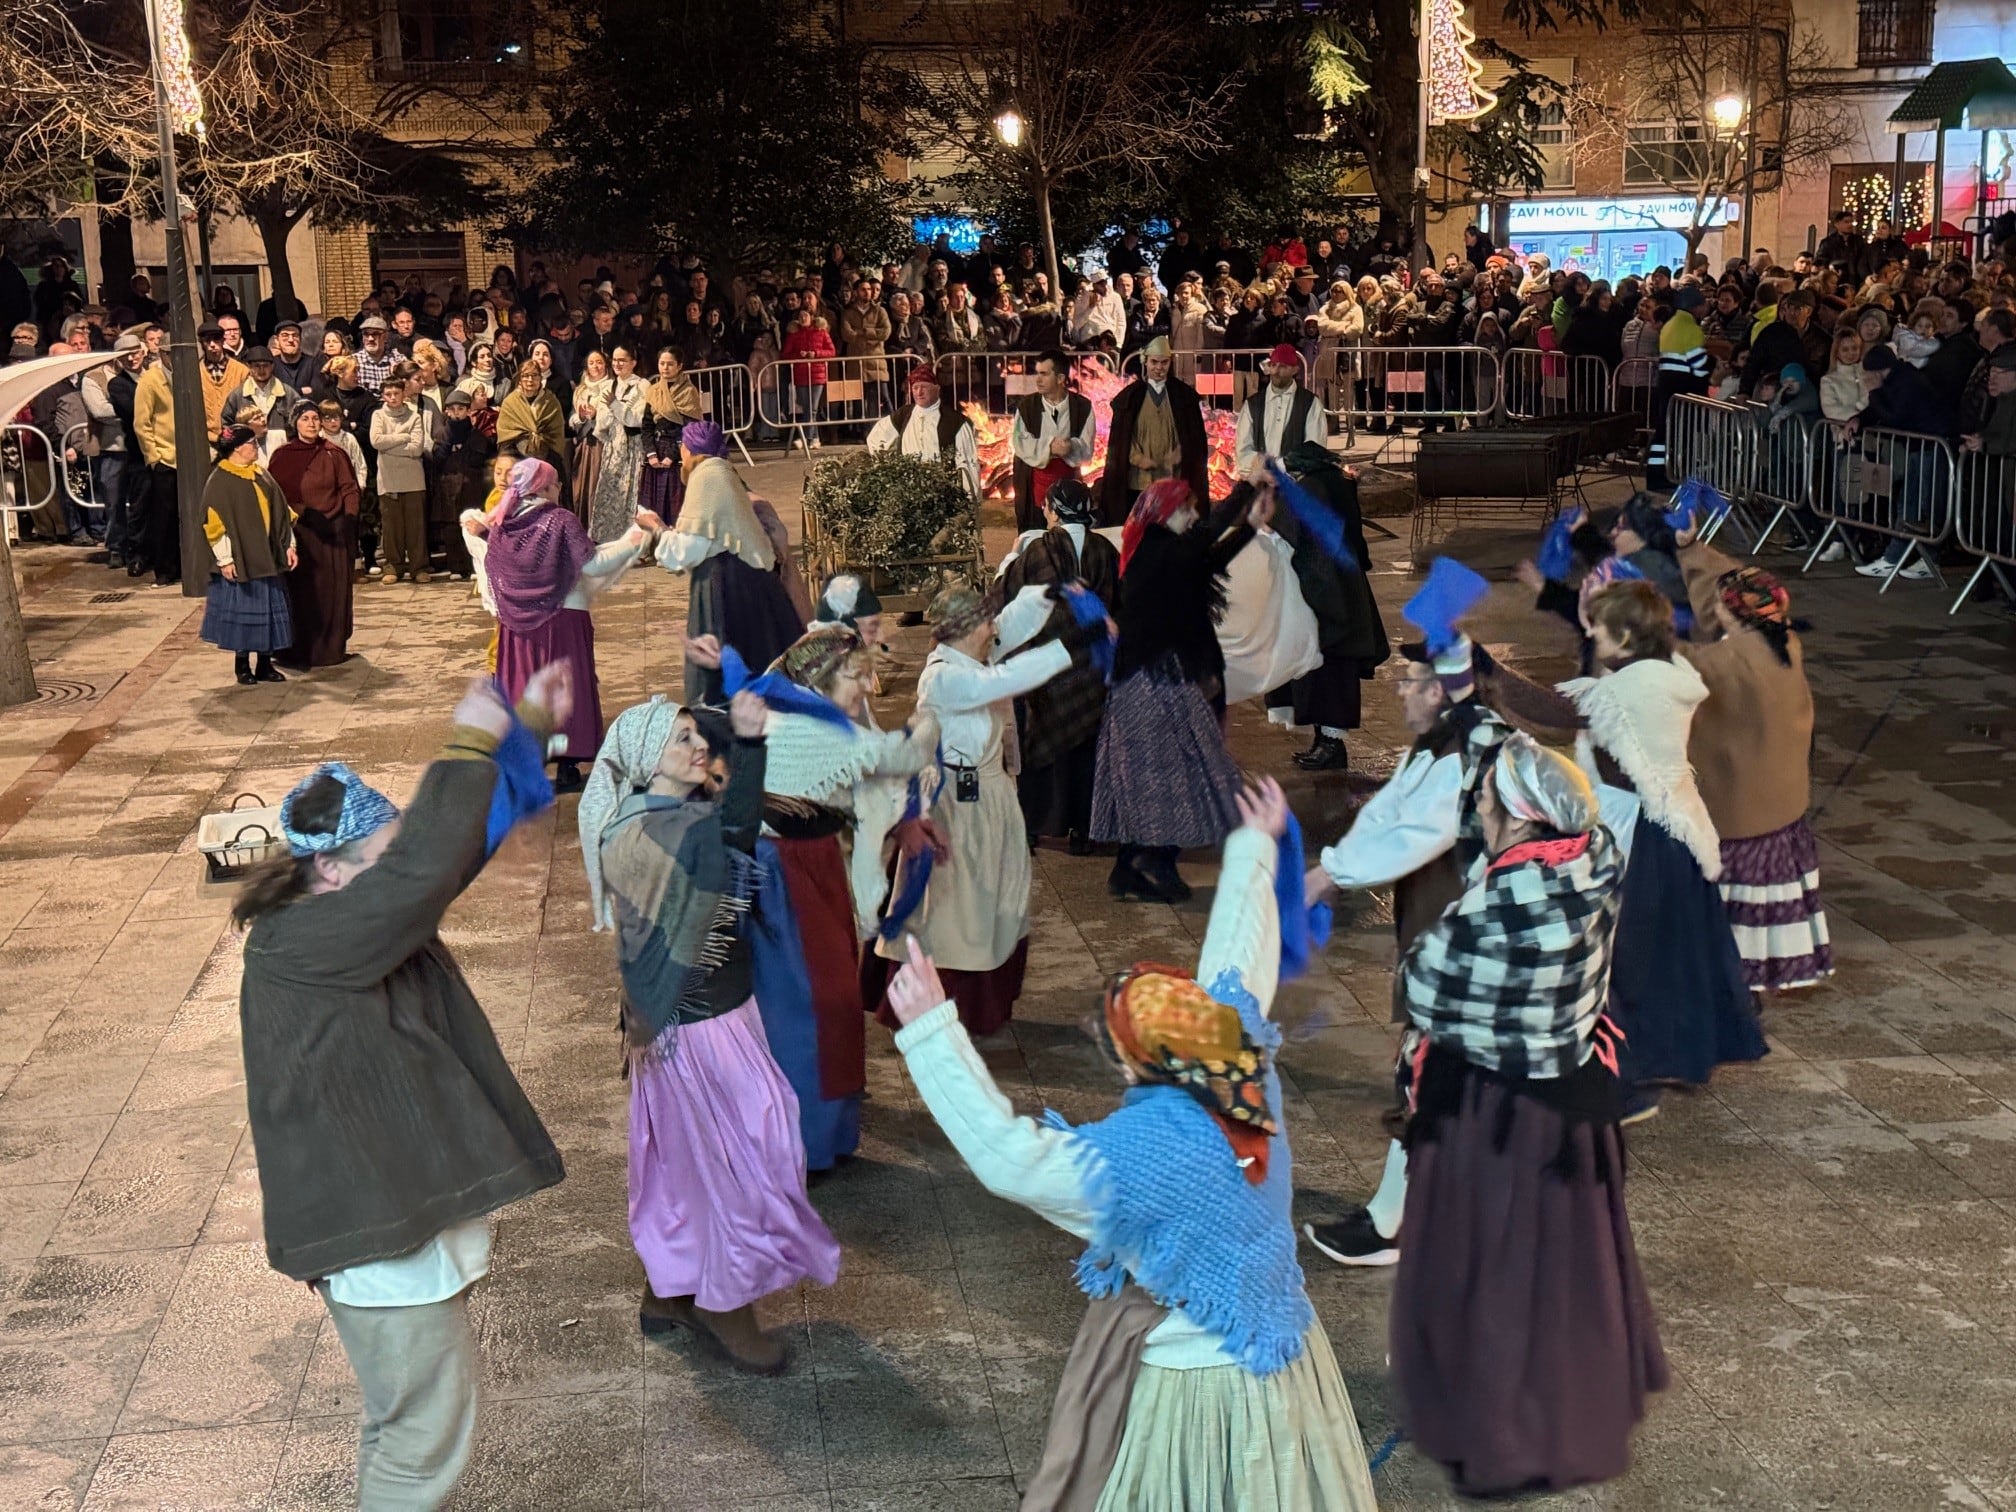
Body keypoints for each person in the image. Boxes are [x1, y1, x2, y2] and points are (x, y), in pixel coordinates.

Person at [883, 779, 1379, 1511]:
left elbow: (1008, 1157)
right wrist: (1251, 846)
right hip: (1282, 1339)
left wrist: (931, 1033)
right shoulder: (1240, 1058)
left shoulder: (1140, 1158)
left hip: (1199, 1382)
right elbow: (1240, 957)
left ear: (1134, 1062)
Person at [234, 671, 570, 1508]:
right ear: (336, 872)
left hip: (381, 1204)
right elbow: (423, 872)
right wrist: (467, 743)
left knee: (402, 1422)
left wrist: (518, 737)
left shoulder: (341, 913)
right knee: (421, 1436)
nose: (404, 874)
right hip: (368, 1226)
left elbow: (436, 861)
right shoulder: (310, 940)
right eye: (383, 860)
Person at [1389, 734, 1666, 1497]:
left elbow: (1423, 985)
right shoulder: (1594, 853)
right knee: (1558, 1273)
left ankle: (1502, 1424)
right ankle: (1566, 1394)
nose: (1475, 812)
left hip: (1498, 1114)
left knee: (1496, 1269)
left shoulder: (1510, 898)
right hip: (1574, 1102)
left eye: (1485, 802)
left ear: (1519, 817)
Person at [578, 690, 842, 1373]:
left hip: (712, 1013)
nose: (698, 746)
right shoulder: (646, 833)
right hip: (693, 1027)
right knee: (746, 1154)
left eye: (698, 734)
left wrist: (747, 748)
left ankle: (670, 1291)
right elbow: (717, 860)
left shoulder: (668, 815)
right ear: (643, 763)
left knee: (686, 1165)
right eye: (679, 741)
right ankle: (725, 1306)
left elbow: (730, 833)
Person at [697, 627, 936, 1172]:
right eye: (855, 677)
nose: (866, 688)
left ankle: (816, 1124)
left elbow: (859, 788)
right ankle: (799, 1141)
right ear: (821, 679)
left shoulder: (810, 711)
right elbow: (903, 754)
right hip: (782, 874)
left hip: (807, 863)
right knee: (805, 1002)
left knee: (817, 996)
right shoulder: (807, 729)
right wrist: (934, 710)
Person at [1563, 581, 1765, 1121]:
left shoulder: (1641, 687)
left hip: (1652, 837)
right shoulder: (1654, 673)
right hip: (1660, 830)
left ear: (1625, 637)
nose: (1589, 636)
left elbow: (1561, 710)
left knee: (1625, 963)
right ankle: (1632, 1077)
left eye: (1597, 629)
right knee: (1644, 963)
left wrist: (1483, 670)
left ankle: (1629, 1087)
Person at [870, 581, 1099, 1036]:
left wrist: (1049, 594)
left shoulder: (973, 655)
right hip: (959, 806)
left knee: (998, 899)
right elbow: (1003, 680)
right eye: (984, 620)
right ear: (964, 628)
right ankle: (948, 1008)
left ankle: (981, 1000)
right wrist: (1078, 643)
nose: (993, 627)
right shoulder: (947, 676)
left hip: (991, 799)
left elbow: (1010, 625)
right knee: (958, 912)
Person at [1094, 477, 1267, 903]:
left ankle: (1132, 867)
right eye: (1186, 508)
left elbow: (1205, 560)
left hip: (1159, 675)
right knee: (1170, 773)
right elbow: (1204, 542)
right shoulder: (1156, 550)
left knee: (1164, 773)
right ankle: (1153, 861)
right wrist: (1245, 493)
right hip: (1148, 683)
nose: (1192, 516)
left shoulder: (1165, 551)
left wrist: (1249, 528)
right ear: (1164, 513)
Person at [1676, 546, 1832, 992]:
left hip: (1742, 817)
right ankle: (1768, 972)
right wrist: (1690, 545)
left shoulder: (1729, 663)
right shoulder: (1782, 640)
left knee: (1733, 914)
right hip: (1781, 808)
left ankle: (1730, 981)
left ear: (1729, 616)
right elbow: (1732, 589)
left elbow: (1666, 655)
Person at [466, 458, 659, 792]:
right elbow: (594, 566)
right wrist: (636, 539)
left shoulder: (502, 522)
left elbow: (494, 567)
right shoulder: (561, 520)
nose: (559, 489)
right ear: (543, 487)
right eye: (556, 484)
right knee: (565, 694)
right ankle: (567, 763)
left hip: (517, 625)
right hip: (564, 618)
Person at [997, 478, 1121, 853]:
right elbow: (1120, 600)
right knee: (1089, 747)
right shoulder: (1105, 550)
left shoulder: (1037, 550)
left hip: (1048, 666)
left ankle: (1038, 823)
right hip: (1094, 665)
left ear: (1052, 510)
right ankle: (1086, 830)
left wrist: (1008, 558)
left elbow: (1009, 594)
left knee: (1040, 744)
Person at [655, 422, 805, 703]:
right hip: (741, 579)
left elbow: (688, 550)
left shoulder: (707, 477)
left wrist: (657, 531)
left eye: (682, 447)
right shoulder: (723, 471)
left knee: (728, 668)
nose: (681, 454)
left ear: (690, 449)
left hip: (725, 584)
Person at [1265, 442, 1388, 771]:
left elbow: (1297, 530)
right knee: (1330, 674)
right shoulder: (1333, 482)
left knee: (1330, 675)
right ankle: (1324, 741)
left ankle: (1331, 746)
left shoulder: (1313, 487)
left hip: (1330, 594)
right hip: (1342, 588)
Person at [198, 423, 296, 684]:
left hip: (266, 556)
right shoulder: (220, 480)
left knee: (268, 615)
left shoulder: (260, 474)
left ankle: (265, 664)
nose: (255, 447)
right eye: (252, 443)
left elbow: (281, 512)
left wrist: (289, 544)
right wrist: (225, 559)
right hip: (242, 558)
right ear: (237, 448)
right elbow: (214, 524)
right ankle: (242, 666)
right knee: (245, 614)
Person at [268, 403, 360, 670]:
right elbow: (276, 495)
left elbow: (349, 488)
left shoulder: (334, 454)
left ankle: (328, 649)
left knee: (330, 592)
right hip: (300, 534)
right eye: (305, 419)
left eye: (315, 418)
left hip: (332, 533)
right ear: (295, 423)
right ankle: (296, 649)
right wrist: (302, 513)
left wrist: (349, 519)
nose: (311, 423)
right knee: (302, 593)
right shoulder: (283, 456)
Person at [1099, 336, 1209, 527]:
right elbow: (1122, 440)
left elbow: (1194, 438)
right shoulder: (1130, 398)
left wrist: (1180, 452)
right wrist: (1137, 458)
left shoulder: (1183, 397)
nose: (1159, 368)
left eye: (1164, 362)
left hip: (1172, 481)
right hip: (1138, 483)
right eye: (1154, 362)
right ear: (1145, 361)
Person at [866, 361, 982, 498]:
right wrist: (890, 468)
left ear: (936, 389)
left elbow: (968, 463)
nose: (919, 392)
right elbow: (876, 438)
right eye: (915, 388)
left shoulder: (955, 421)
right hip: (909, 491)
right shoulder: (904, 415)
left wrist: (968, 499)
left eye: (924, 387)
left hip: (944, 493)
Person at [1009, 349, 1096, 532]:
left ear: (1060, 378)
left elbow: (1087, 445)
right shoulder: (1027, 407)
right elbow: (1019, 442)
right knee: (1036, 535)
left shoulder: (1082, 407)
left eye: (1044, 374)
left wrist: (1070, 446)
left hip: (1068, 485)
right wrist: (1049, 446)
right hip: (1035, 487)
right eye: (1037, 373)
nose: (1038, 380)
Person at [370, 371, 437, 584]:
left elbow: (417, 448)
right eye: (388, 393)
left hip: (413, 479)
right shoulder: (378, 416)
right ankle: (393, 566)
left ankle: (419, 567)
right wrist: (402, 438)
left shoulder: (414, 416)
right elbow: (376, 441)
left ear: (403, 394)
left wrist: (390, 447)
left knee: (416, 527)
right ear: (383, 396)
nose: (392, 397)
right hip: (388, 479)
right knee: (391, 527)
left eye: (396, 393)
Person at [584, 345, 649, 542]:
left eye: (622, 360)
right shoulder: (608, 386)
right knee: (609, 493)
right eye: (614, 360)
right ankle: (607, 538)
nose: (617, 364)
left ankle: (633, 540)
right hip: (613, 446)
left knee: (630, 493)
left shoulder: (642, 385)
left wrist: (615, 406)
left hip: (632, 446)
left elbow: (635, 418)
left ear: (633, 362)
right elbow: (603, 421)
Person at [637, 348, 706, 523]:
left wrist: (671, 455)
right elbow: (646, 425)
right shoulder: (653, 391)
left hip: (679, 452)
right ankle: (656, 540)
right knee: (653, 506)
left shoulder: (688, 392)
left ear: (679, 366)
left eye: (670, 364)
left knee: (676, 504)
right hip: (656, 453)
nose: (665, 368)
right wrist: (651, 453)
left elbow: (690, 428)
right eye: (662, 363)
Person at [1233, 345, 1326, 472]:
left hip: (1296, 482)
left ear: (1295, 370)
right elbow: (1243, 451)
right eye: (1273, 365)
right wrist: (1264, 467)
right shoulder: (1252, 404)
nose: (1276, 371)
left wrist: (1285, 467)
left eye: (1283, 366)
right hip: (1260, 483)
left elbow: (1315, 449)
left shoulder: (1310, 403)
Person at [569, 349, 614, 523]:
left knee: (599, 487)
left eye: (599, 362)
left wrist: (596, 415)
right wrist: (580, 417)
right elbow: (572, 420)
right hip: (584, 444)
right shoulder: (580, 390)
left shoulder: (612, 387)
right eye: (592, 362)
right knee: (582, 488)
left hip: (604, 444)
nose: (596, 366)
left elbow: (614, 418)